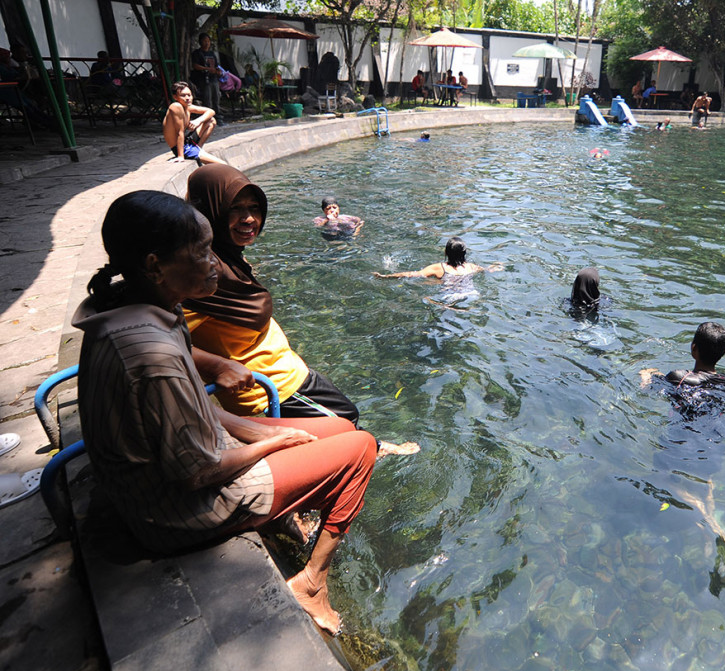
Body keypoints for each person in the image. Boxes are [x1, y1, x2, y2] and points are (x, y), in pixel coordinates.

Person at [74, 189, 387, 634]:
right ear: (153, 265)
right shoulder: (151, 353)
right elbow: (198, 471)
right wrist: (275, 442)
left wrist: (258, 434)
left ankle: (294, 503)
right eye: (201, 252)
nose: (213, 263)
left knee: (336, 425)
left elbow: (191, 411)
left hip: (184, 460)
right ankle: (313, 582)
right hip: (174, 511)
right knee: (360, 448)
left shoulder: (145, 307)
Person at [182, 166, 419, 456]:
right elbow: (164, 340)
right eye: (235, 209)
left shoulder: (227, 259)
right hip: (267, 389)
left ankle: (370, 450)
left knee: (346, 415)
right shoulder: (198, 275)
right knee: (344, 429)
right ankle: (370, 453)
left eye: (254, 208)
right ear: (210, 210)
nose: (249, 219)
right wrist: (217, 366)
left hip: (286, 370)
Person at [639, 322, 725, 391]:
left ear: (694, 348)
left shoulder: (679, 377)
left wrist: (646, 373)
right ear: (724, 353)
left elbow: (646, 387)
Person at [373, 237, 502, 280]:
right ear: (464, 254)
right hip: (471, 295)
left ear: (446, 252)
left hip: (449, 297)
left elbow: (411, 274)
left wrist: (385, 276)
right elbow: (488, 269)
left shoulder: (439, 268)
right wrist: (498, 265)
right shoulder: (471, 267)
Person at [162, 81, 224, 165]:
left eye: (189, 95)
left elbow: (211, 111)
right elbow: (179, 132)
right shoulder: (176, 106)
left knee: (211, 120)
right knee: (223, 164)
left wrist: (198, 121)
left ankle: (199, 147)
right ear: (175, 97)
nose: (187, 98)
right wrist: (180, 156)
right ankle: (195, 152)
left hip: (188, 141)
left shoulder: (188, 107)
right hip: (183, 148)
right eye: (183, 95)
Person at [190, 33, 220, 114]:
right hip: (204, 80)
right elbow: (195, 65)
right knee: (207, 99)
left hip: (214, 79)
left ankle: (217, 116)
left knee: (216, 98)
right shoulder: (197, 53)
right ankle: (208, 116)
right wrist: (207, 69)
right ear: (200, 42)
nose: (207, 43)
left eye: (208, 41)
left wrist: (218, 71)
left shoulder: (212, 54)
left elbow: (216, 66)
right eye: (205, 41)